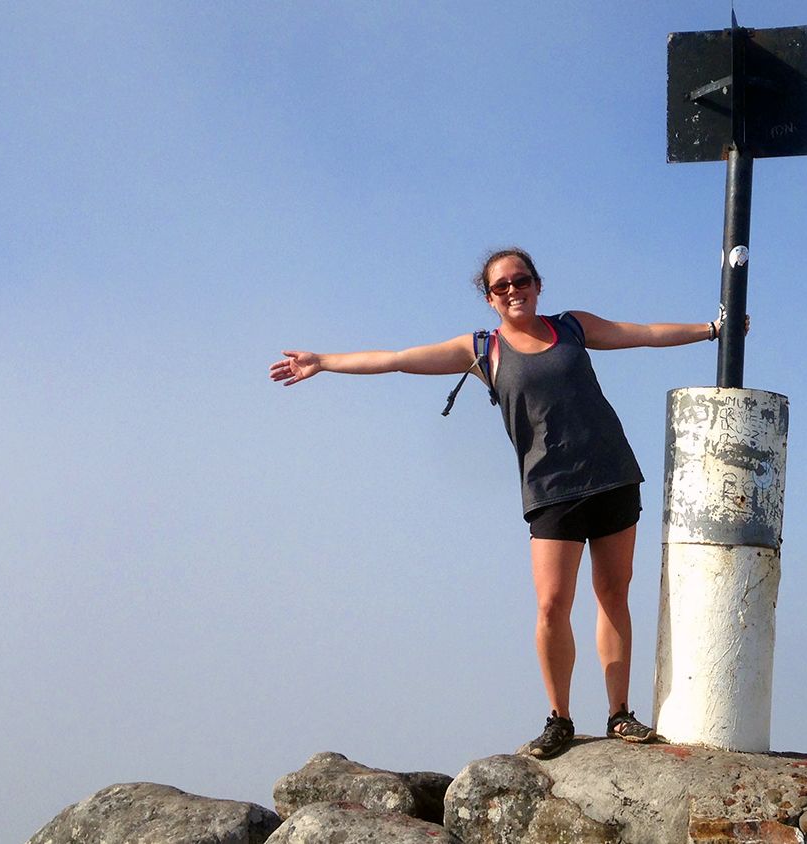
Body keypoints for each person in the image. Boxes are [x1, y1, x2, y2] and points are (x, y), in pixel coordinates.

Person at [269, 247, 738, 759]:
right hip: (549, 491)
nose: (513, 291)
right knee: (551, 606)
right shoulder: (481, 349)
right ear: (489, 297)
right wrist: (323, 362)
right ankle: (559, 718)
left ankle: (619, 716)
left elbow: (641, 333)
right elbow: (398, 361)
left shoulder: (573, 328)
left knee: (612, 594)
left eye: (522, 281)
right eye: (501, 286)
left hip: (611, 476)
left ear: (538, 285)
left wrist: (714, 329)